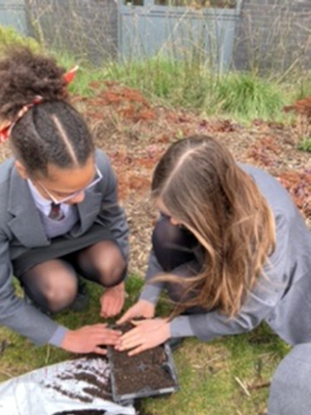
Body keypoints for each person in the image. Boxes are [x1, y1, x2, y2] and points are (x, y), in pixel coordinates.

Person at [116, 135, 311, 358]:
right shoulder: (203, 182)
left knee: (181, 286)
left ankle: (205, 311)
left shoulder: (267, 224)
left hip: (249, 276)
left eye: (179, 215)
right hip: (217, 249)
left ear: (205, 206)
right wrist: (147, 298)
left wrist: (170, 327)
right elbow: (163, 237)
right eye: (168, 212)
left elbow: (249, 314)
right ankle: (200, 302)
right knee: (165, 233)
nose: (174, 221)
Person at [0, 47, 128, 354]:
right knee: (59, 291)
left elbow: (113, 219)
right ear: (25, 171)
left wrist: (117, 283)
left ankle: (85, 273)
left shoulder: (100, 165)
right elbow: (2, 301)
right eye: (65, 193)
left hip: (83, 236)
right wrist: (66, 337)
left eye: (87, 185)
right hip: (33, 248)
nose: (82, 197)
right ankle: (49, 285)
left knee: (112, 265)